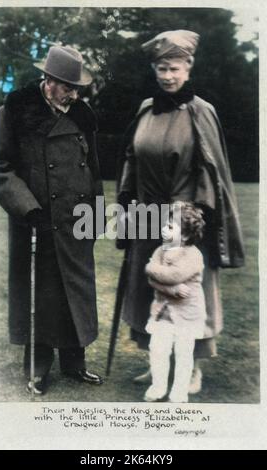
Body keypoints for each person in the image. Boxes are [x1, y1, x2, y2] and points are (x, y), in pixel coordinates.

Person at [116, 30, 245, 394]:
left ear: (188, 67)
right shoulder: (145, 108)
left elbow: (210, 169)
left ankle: (191, 369)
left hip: (186, 220)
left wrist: (191, 216)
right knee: (147, 287)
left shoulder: (201, 112)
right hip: (147, 212)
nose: (167, 76)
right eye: (161, 68)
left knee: (188, 290)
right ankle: (155, 361)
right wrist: (128, 199)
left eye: (173, 68)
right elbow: (132, 158)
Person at [0, 45, 104, 395]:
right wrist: (28, 208)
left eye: (77, 87)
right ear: (49, 80)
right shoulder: (16, 110)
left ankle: (75, 364)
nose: (74, 93)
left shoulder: (83, 115)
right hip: (36, 221)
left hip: (77, 220)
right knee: (41, 294)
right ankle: (38, 368)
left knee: (76, 291)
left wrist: (97, 213)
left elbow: (94, 168)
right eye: (67, 86)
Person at [144, 202, 206, 403]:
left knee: (183, 354)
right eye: (165, 224)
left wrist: (151, 268)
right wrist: (170, 289)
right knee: (158, 349)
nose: (164, 229)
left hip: (187, 315)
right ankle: (158, 387)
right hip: (163, 313)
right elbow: (153, 279)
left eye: (170, 226)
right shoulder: (161, 250)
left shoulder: (193, 255)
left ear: (186, 235)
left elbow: (174, 275)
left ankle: (179, 392)